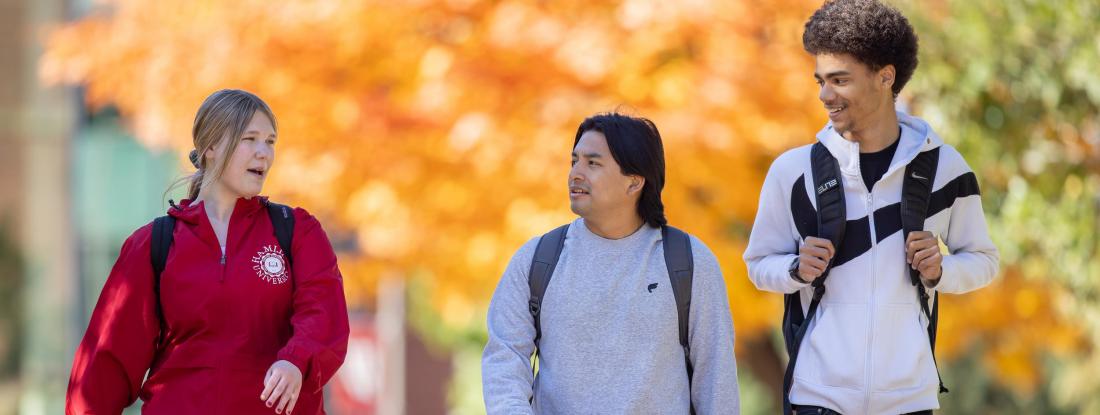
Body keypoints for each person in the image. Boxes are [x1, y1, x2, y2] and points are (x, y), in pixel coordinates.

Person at [743, 1, 1000, 414]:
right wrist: (795, 269)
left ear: (885, 77)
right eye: (821, 81)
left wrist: (941, 271)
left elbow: (984, 260)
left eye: (840, 80)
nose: (825, 95)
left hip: (909, 401)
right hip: (817, 398)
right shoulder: (792, 172)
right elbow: (758, 264)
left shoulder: (945, 169)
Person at [66, 89, 349, 415]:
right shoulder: (154, 244)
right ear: (211, 147)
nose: (264, 153)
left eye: (270, 142)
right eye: (250, 139)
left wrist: (296, 360)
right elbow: (104, 364)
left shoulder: (297, 231)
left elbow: (324, 311)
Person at [482, 113, 740, 414]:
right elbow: (505, 357)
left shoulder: (689, 262)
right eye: (574, 161)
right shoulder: (537, 259)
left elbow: (716, 378)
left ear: (633, 183)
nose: (575, 173)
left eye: (593, 163)